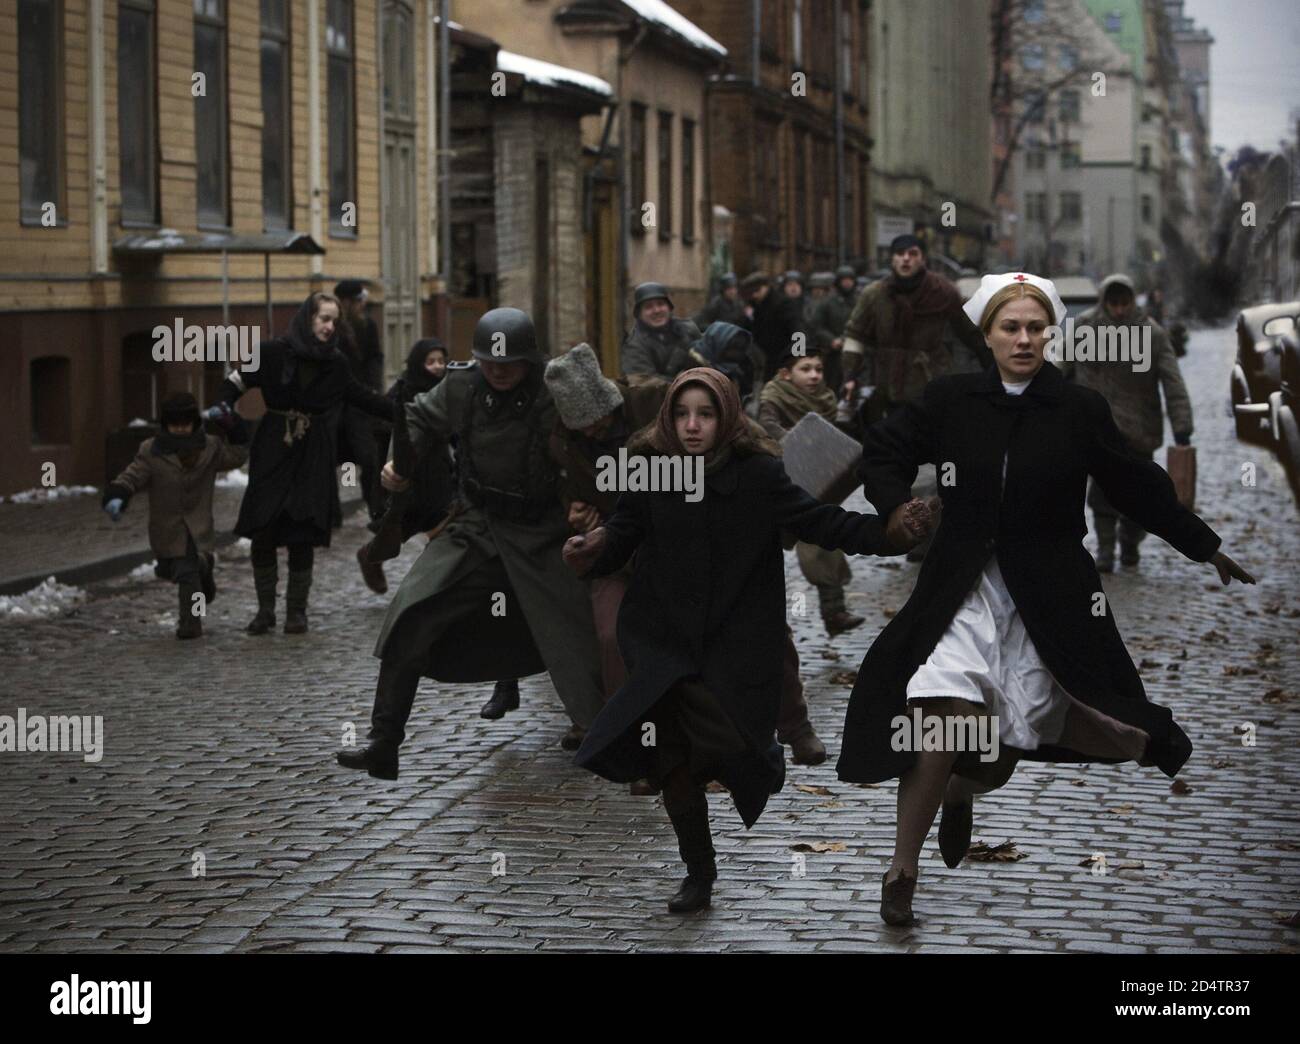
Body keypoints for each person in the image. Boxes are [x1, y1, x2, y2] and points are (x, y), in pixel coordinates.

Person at [836, 272, 1255, 927]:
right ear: (989, 334)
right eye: (1011, 327)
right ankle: (901, 870)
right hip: (962, 588)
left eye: (1035, 328)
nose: (1024, 339)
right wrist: (895, 509)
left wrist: (1202, 543)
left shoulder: (1077, 409)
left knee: (1002, 746)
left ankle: (960, 791)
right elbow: (883, 450)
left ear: (1049, 333)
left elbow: (1133, 482)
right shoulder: (951, 399)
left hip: (1048, 597)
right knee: (943, 706)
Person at [563, 368, 926, 914]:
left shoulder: (759, 474)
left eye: (704, 415)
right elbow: (624, 533)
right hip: (663, 644)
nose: (692, 426)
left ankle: (762, 757)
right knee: (674, 767)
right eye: (682, 414)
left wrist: (888, 534)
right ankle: (698, 872)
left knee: (734, 748)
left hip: (732, 644)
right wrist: (594, 548)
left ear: (726, 418)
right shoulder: (649, 471)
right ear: (668, 417)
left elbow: (822, 522)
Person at [336, 308, 605, 780]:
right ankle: (384, 741)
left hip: (546, 532)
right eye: (489, 361)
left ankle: (607, 734)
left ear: (529, 360)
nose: (498, 370)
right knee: (413, 609)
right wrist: (402, 462)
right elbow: (418, 416)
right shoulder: (461, 387)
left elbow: (600, 436)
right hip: (478, 523)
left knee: (579, 632)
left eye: (509, 363)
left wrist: (590, 502)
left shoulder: (553, 392)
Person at [547, 342, 831, 770]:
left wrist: (760, 487)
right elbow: (572, 490)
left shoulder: (659, 400)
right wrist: (579, 512)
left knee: (766, 627)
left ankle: (794, 724)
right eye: (581, 426)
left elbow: (740, 434)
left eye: (597, 420)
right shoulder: (564, 440)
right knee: (612, 635)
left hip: (695, 543)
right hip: (623, 548)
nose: (592, 430)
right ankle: (638, 743)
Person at [216, 292, 394, 635]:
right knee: (264, 528)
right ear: (307, 318)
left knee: (302, 530)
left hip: (313, 450)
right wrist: (224, 410)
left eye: (334, 321)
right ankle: (265, 610)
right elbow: (235, 382)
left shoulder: (336, 363)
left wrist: (404, 411)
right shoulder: (271, 353)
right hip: (273, 446)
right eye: (324, 318)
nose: (330, 327)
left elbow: (361, 396)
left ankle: (297, 612)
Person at [841, 234, 992, 560]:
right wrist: (850, 377)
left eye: (912, 253)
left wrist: (995, 371)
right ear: (892, 259)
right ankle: (904, 525)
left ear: (922, 258)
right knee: (892, 462)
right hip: (889, 391)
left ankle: (925, 535)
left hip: (932, 391)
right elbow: (855, 336)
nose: (905, 260)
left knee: (933, 469)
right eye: (899, 254)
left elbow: (973, 336)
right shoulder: (875, 295)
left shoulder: (944, 294)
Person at [1064, 273, 1194, 572]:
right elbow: (1060, 365)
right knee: (1100, 493)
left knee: (1139, 494)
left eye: (1124, 303)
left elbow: (1172, 381)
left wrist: (1182, 427)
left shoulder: (1152, 334)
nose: (1120, 310)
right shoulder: (1085, 327)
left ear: (1132, 301)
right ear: (1105, 302)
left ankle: (1130, 543)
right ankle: (1107, 550)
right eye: (1114, 303)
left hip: (1138, 429)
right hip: (1096, 429)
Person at [101, 393, 248, 639]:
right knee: (173, 570)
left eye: (185, 423)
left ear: (194, 423)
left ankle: (190, 625)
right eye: (174, 424)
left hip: (198, 526)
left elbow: (238, 456)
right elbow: (133, 475)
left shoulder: (210, 447)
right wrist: (119, 494)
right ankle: (204, 570)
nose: (180, 429)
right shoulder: (151, 451)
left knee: (186, 574)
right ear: (166, 424)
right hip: (168, 528)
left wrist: (232, 424)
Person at [758, 345, 865, 636]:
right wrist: (802, 439)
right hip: (777, 483)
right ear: (786, 374)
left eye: (818, 369)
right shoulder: (773, 397)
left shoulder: (827, 401)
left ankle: (834, 611)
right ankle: (769, 619)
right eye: (805, 369)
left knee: (822, 539)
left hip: (815, 484)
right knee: (762, 555)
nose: (815, 375)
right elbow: (766, 429)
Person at [355, 338, 455, 595]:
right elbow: (381, 426)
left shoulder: (449, 390)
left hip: (438, 470)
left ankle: (435, 580)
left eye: (441, 361)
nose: (437, 366)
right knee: (401, 527)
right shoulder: (403, 390)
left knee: (443, 524)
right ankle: (370, 556)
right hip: (408, 472)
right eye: (430, 361)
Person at [334, 280, 387, 523]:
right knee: (330, 457)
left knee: (368, 457)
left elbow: (375, 357)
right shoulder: (331, 327)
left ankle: (374, 507)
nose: (361, 305)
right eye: (357, 301)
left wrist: (373, 389)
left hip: (360, 402)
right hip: (334, 404)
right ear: (345, 302)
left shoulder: (368, 325)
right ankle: (330, 511)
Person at [620, 282, 702, 386]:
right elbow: (644, 383)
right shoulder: (634, 345)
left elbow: (706, 362)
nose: (656, 310)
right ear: (639, 313)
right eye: (648, 307)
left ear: (669, 307)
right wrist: (681, 382)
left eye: (660, 304)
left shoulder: (688, 329)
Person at [811, 265, 860, 393]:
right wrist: (831, 340)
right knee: (833, 386)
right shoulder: (828, 303)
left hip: (856, 352)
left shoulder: (860, 301)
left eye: (850, 280)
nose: (847, 283)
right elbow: (817, 326)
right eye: (844, 280)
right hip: (834, 354)